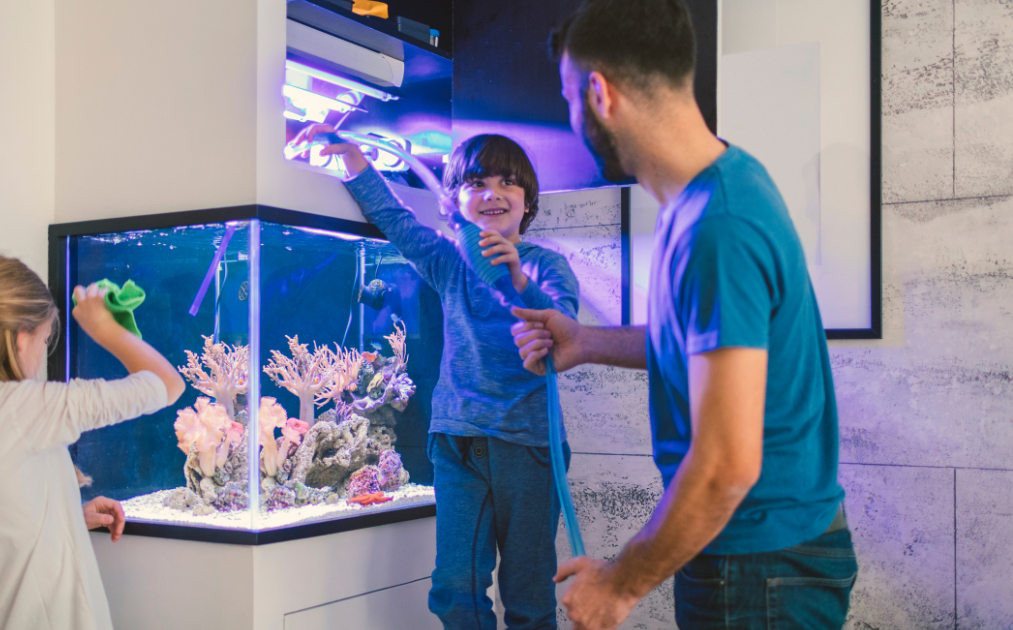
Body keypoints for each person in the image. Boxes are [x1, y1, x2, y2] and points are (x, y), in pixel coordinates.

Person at [510, 1, 857, 628]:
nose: (570, 119)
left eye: (568, 98)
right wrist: (585, 341)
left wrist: (617, 586)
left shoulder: (717, 226)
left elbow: (726, 465)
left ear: (599, 94)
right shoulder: (705, 196)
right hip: (751, 556)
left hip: (760, 567)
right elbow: (701, 346)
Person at [295, 124, 580, 630]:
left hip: (530, 448)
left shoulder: (548, 266)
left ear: (528, 202)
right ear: (454, 202)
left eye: (508, 183)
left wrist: (516, 278)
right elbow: (394, 220)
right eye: (476, 183)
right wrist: (356, 162)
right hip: (457, 444)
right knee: (454, 590)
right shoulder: (448, 262)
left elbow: (563, 332)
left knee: (529, 598)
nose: (492, 193)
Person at [0, 255, 186, 630]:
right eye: (45, 340)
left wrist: (67, 518)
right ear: (20, 338)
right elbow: (167, 385)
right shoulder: (18, 407)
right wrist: (104, 328)